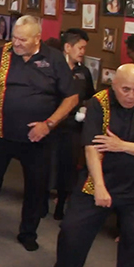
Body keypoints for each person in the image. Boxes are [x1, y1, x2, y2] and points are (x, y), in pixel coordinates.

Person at [44, 65, 134, 267]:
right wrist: (99, 186)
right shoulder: (99, 103)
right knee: (72, 230)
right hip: (99, 181)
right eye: (125, 89)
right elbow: (91, 147)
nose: (131, 95)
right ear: (114, 85)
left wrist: (121, 145)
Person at [0, 16, 79, 252]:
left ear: (37, 39)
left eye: (22, 39)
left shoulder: (53, 59)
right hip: (1, 133)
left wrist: (49, 124)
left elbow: (71, 97)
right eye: (14, 37)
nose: (17, 43)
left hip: (38, 137)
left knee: (36, 187)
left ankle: (28, 233)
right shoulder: (2, 54)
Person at [53, 29, 96, 221]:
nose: (82, 52)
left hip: (73, 125)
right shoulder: (53, 67)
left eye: (84, 48)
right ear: (67, 47)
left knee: (68, 166)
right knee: (47, 165)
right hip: (52, 123)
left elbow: (89, 96)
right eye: (80, 48)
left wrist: (84, 110)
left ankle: (61, 203)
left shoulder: (83, 72)